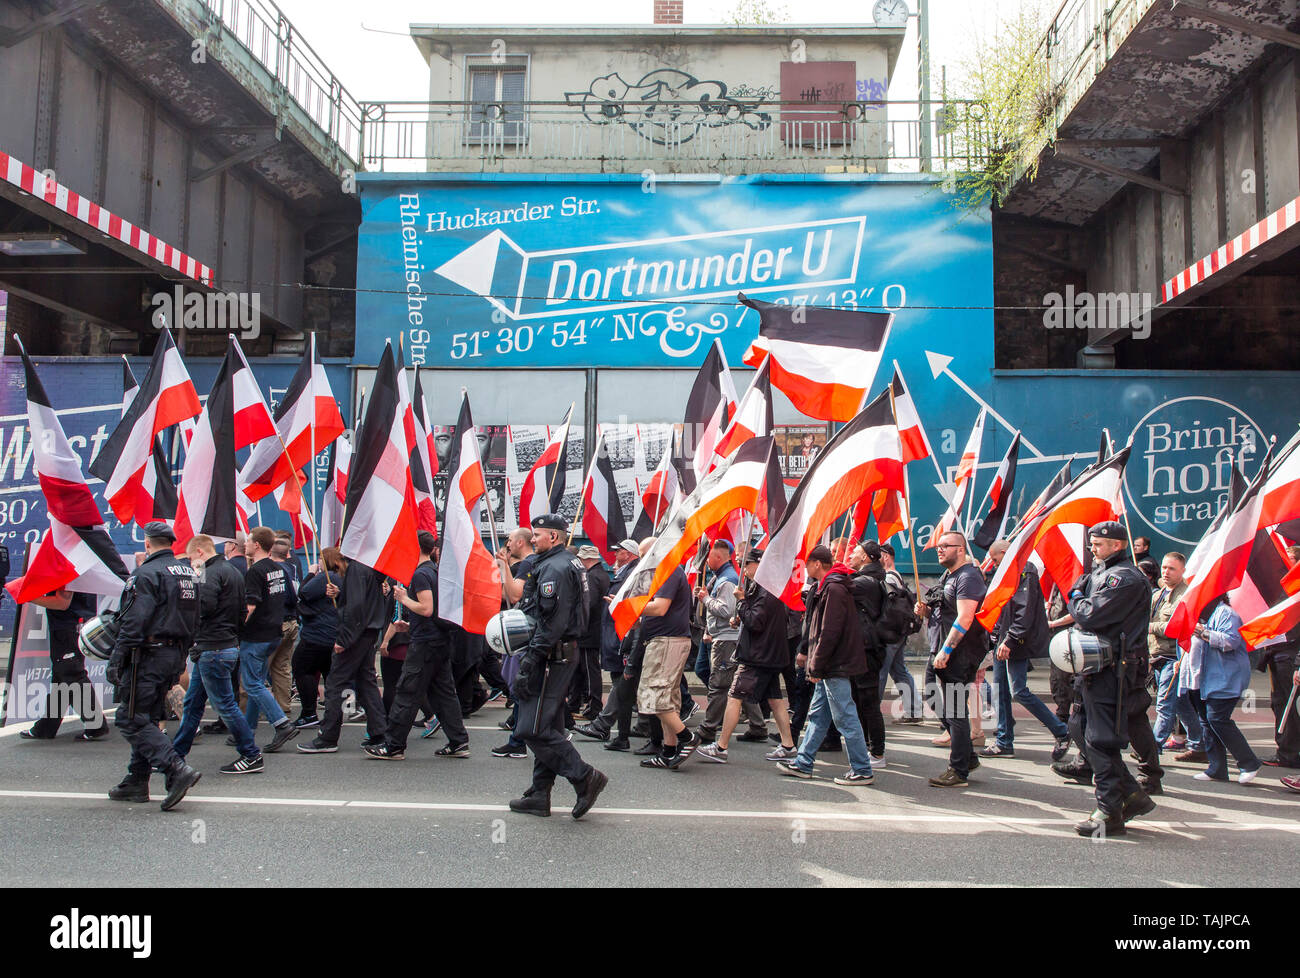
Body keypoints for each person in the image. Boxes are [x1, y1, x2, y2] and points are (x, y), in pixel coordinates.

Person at [507, 514, 609, 818]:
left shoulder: (556, 567)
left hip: (552, 655)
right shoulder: (563, 562)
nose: (532, 539)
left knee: (531, 727)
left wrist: (530, 660)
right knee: (547, 725)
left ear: (554, 536)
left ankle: (584, 776)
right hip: (558, 653)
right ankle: (540, 793)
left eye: (537, 534)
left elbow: (552, 623)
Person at [1067, 521, 1158, 837]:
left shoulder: (1125, 578)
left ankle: (1109, 811)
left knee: (1101, 738)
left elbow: (1090, 614)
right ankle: (1131, 795)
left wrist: (1076, 594)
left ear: (1118, 545)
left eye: (1099, 543)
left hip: (1114, 669)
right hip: (1094, 666)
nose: (1092, 548)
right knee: (1079, 727)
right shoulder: (1101, 574)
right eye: (1092, 543)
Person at [105, 522, 201, 810]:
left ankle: (175, 768)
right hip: (173, 654)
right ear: (170, 542)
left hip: (147, 654)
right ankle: (137, 779)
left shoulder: (146, 574)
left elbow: (134, 622)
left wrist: (117, 657)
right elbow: (196, 619)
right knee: (146, 714)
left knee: (131, 717)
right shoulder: (189, 573)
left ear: (148, 544)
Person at [776, 546, 874, 785]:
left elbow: (829, 631)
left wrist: (816, 666)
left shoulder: (834, 588)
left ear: (817, 564)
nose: (804, 568)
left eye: (807, 563)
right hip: (831, 663)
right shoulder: (829, 586)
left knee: (845, 716)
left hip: (835, 663)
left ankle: (862, 768)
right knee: (818, 714)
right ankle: (803, 762)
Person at [366, 532, 468, 760]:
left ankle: (393, 746)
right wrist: (409, 626)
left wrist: (403, 599)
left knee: (407, 691)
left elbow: (427, 608)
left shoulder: (421, 574)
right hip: (437, 639)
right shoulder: (435, 570)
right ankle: (458, 741)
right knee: (444, 693)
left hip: (425, 645)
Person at [172, 535, 263, 773]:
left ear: (200, 552)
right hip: (223, 645)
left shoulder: (209, 573)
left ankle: (251, 754)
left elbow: (203, 607)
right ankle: (174, 756)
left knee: (225, 705)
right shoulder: (232, 571)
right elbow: (242, 610)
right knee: (192, 704)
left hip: (214, 646)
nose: (191, 563)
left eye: (192, 558)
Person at [698, 547, 798, 763]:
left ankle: (721, 747)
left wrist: (742, 602)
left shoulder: (765, 589)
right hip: (769, 653)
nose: (744, 569)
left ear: (758, 565)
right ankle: (788, 745)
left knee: (734, 697)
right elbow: (757, 619)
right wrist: (741, 615)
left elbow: (756, 621)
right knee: (775, 700)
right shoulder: (769, 587)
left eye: (747, 564)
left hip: (757, 655)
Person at [981, 541, 1071, 760]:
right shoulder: (1012, 571)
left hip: (1014, 643)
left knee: (1018, 691)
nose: (993, 565)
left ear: (1004, 553)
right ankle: (1004, 741)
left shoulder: (1024, 570)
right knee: (1000, 691)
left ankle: (1062, 731)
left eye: (995, 559)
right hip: (1006, 640)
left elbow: (1025, 610)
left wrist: (1010, 639)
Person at [298, 553, 389, 753]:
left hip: (356, 633)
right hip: (368, 630)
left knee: (336, 682)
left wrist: (344, 639)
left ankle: (328, 737)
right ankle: (378, 733)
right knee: (366, 681)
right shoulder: (369, 565)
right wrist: (340, 594)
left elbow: (356, 607)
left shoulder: (357, 568)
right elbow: (362, 601)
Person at [918, 532, 987, 787]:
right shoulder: (950, 575)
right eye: (939, 546)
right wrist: (926, 611)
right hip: (939, 649)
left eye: (945, 546)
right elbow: (944, 611)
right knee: (933, 695)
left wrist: (946, 651)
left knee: (956, 711)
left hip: (957, 654)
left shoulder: (969, 577)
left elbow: (966, 617)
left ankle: (958, 770)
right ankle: (967, 756)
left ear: (961, 549)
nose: (940, 550)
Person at [635, 537, 700, 770]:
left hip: (667, 641)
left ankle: (686, 738)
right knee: (667, 699)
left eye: (644, 554)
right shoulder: (668, 569)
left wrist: (632, 606)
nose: (642, 560)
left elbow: (660, 607)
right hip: (668, 640)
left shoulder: (668, 569)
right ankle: (669, 750)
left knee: (654, 695)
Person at [695, 539, 768, 746]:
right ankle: (757, 725)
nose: (705, 561)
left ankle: (708, 728)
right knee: (738, 686)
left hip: (726, 640)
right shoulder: (723, 578)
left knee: (719, 684)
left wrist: (706, 600)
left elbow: (726, 610)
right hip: (726, 637)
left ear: (717, 557)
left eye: (708, 556)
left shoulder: (726, 580)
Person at [1183, 595, 1262, 784]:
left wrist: (1203, 633)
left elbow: (1231, 641)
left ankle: (1249, 762)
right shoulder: (1201, 616)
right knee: (1207, 722)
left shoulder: (1226, 613)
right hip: (1203, 679)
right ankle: (1216, 768)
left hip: (1226, 677)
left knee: (1217, 719)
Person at [575, 539, 641, 747]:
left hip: (623, 635)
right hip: (617, 634)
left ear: (629, 555)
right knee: (623, 683)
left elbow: (628, 607)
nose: (615, 555)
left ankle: (603, 724)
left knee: (622, 683)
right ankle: (642, 724)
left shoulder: (630, 575)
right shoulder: (622, 574)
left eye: (619, 551)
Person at [20, 589, 108, 741]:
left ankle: (96, 724)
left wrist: (30, 596)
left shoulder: (65, 568)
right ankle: (46, 727)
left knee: (71, 673)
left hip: (67, 626)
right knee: (62, 675)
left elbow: (62, 602)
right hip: (75, 624)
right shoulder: (78, 568)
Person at [238, 528, 298, 751]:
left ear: (257, 545)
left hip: (257, 635)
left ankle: (281, 724)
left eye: (249, 541)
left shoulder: (256, 571)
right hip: (274, 631)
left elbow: (250, 606)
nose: (245, 544)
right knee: (258, 682)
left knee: (252, 684)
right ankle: (248, 729)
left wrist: (237, 628)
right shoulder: (278, 569)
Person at [1148, 552, 1205, 762]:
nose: (1166, 572)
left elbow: (1177, 627)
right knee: (1181, 703)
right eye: (1164, 567)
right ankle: (1200, 744)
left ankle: (1154, 746)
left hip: (1174, 657)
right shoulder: (1158, 594)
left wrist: (1150, 627)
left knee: (1164, 703)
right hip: (1157, 655)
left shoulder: (1185, 596)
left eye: (1171, 568)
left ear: (1182, 571)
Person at [846, 540, 888, 766]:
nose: (850, 554)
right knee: (860, 699)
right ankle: (864, 746)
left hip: (867, 647)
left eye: (855, 551)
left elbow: (837, 587)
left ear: (865, 558)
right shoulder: (871, 579)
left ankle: (878, 752)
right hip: (864, 646)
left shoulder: (864, 582)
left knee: (868, 700)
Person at [291, 549, 343, 729]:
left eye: (320, 558)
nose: (318, 561)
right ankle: (334, 715)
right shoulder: (340, 577)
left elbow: (303, 592)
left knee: (301, 668)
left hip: (317, 634)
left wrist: (311, 573)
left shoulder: (326, 578)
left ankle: (308, 712)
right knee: (329, 675)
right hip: (331, 633)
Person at [1261, 546, 1300, 769]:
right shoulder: (1282, 588)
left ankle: (1289, 753)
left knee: (1287, 705)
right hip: (1277, 656)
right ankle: (1286, 749)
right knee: (1280, 704)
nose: (1287, 562)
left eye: (1292, 559)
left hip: (1289, 657)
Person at [877, 543, 922, 723]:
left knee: (881, 671)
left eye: (879, 555)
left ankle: (872, 713)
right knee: (899, 671)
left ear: (886, 556)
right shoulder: (896, 577)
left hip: (891, 632)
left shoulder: (890, 578)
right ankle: (913, 711)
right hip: (898, 632)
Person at [570, 544, 610, 721]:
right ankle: (575, 704)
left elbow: (588, 603)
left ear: (585, 558)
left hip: (589, 631)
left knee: (589, 670)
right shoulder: (600, 574)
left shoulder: (593, 576)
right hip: (591, 630)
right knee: (583, 669)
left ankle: (594, 707)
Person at [267, 537, 299, 714]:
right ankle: (283, 706)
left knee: (259, 670)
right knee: (282, 667)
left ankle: (251, 710)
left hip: (277, 623)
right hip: (291, 621)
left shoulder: (273, 570)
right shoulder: (292, 569)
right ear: (287, 554)